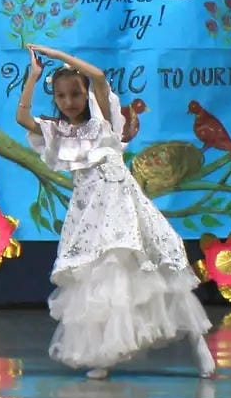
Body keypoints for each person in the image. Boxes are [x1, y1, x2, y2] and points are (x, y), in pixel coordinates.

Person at [16, 45, 214, 380]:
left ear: (86, 95)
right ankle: (105, 353)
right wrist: (34, 77)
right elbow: (22, 119)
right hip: (90, 214)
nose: (68, 102)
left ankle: (198, 343)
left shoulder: (104, 122)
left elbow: (97, 76)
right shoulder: (60, 132)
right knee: (100, 282)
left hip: (123, 206)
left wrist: (59, 56)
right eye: (61, 96)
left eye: (75, 94)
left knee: (155, 267)